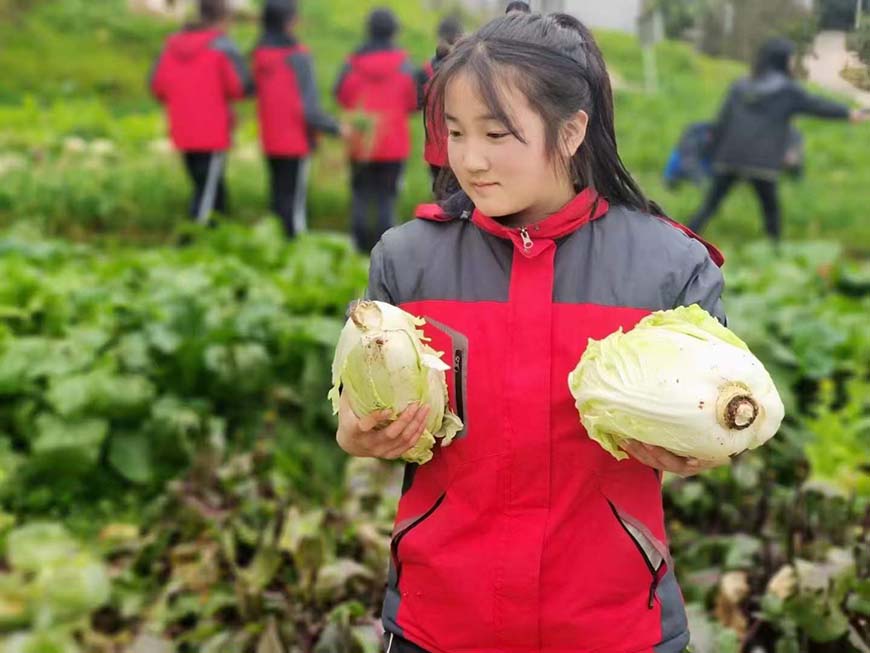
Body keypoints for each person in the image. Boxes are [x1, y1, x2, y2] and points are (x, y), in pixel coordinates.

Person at [337, 11, 730, 653]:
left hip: (612, 626)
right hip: (440, 624)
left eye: (496, 133)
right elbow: (359, 404)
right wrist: (356, 434)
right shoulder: (406, 261)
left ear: (572, 129)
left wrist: (708, 448)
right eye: (456, 132)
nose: (470, 159)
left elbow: (722, 420)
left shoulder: (670, 268)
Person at [688, 37, 868, 241]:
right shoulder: (787, 91)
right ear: (782, 60)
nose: (793, 62)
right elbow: (818, 105)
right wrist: (848, 113)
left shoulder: (740, 85)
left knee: (709, 205)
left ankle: (685, 237)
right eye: (791, 58)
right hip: (761, 163)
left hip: (730, 157)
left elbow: (722, 121)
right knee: (771, 210)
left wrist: (712, 153)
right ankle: (775, 250)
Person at [149, 0, 252, 223]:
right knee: (207, 191)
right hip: (213, 131)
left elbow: (157, 86)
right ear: (223, 19)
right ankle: (195, 241)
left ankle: (220, 232)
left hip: (182, 129)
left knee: (206, 184)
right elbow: (238, 88)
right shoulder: (222, 47)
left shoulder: (171, 46)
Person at [253, 0, 347, 237]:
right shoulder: (298, 56)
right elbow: (309, 109)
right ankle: (294, 258)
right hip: (295, 141)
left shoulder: (258, 53)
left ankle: (272, 249)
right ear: (289, 21)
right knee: (294, 207)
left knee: (277, 199)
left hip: (270, 138)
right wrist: (336, 127)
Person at [334, 8, 419, 253]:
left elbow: (342, 96)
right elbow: (413, 102)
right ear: (394, 32)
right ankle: (384, 251)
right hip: (393, 144)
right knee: (387, 198)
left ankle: (358, 247)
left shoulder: (352, 63)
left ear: (368, 29)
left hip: (360, 140)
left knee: (360, 195)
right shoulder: (403, 64)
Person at [418, 16, 464, 191]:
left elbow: (418, 103)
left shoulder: (427, 68)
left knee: (440, 199)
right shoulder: (467, 68)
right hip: (460, 149)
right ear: (460, 37)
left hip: (434, 150)